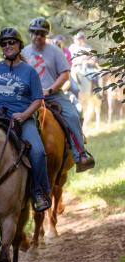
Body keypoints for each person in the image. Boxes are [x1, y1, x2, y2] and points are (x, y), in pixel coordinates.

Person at [0, 27, 51, 212]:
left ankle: (39, 191)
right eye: (4, 44)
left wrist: (25, 115)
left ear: (19, 45)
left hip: (21, 119)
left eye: (11, 42)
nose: (8, 46)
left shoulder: (29, 72)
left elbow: (38, 99)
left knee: (38, 152)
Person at [22, 17, 95, 172]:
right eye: (34, 33)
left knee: (72, 115)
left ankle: (80, 155)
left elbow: (64, 74)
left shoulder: (55, 51)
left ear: (46, 35)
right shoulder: (24, 52)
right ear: (30, 34)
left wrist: (50, 90)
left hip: (52, 94)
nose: (38, 36)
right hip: (29, 97)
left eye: (41, 33)